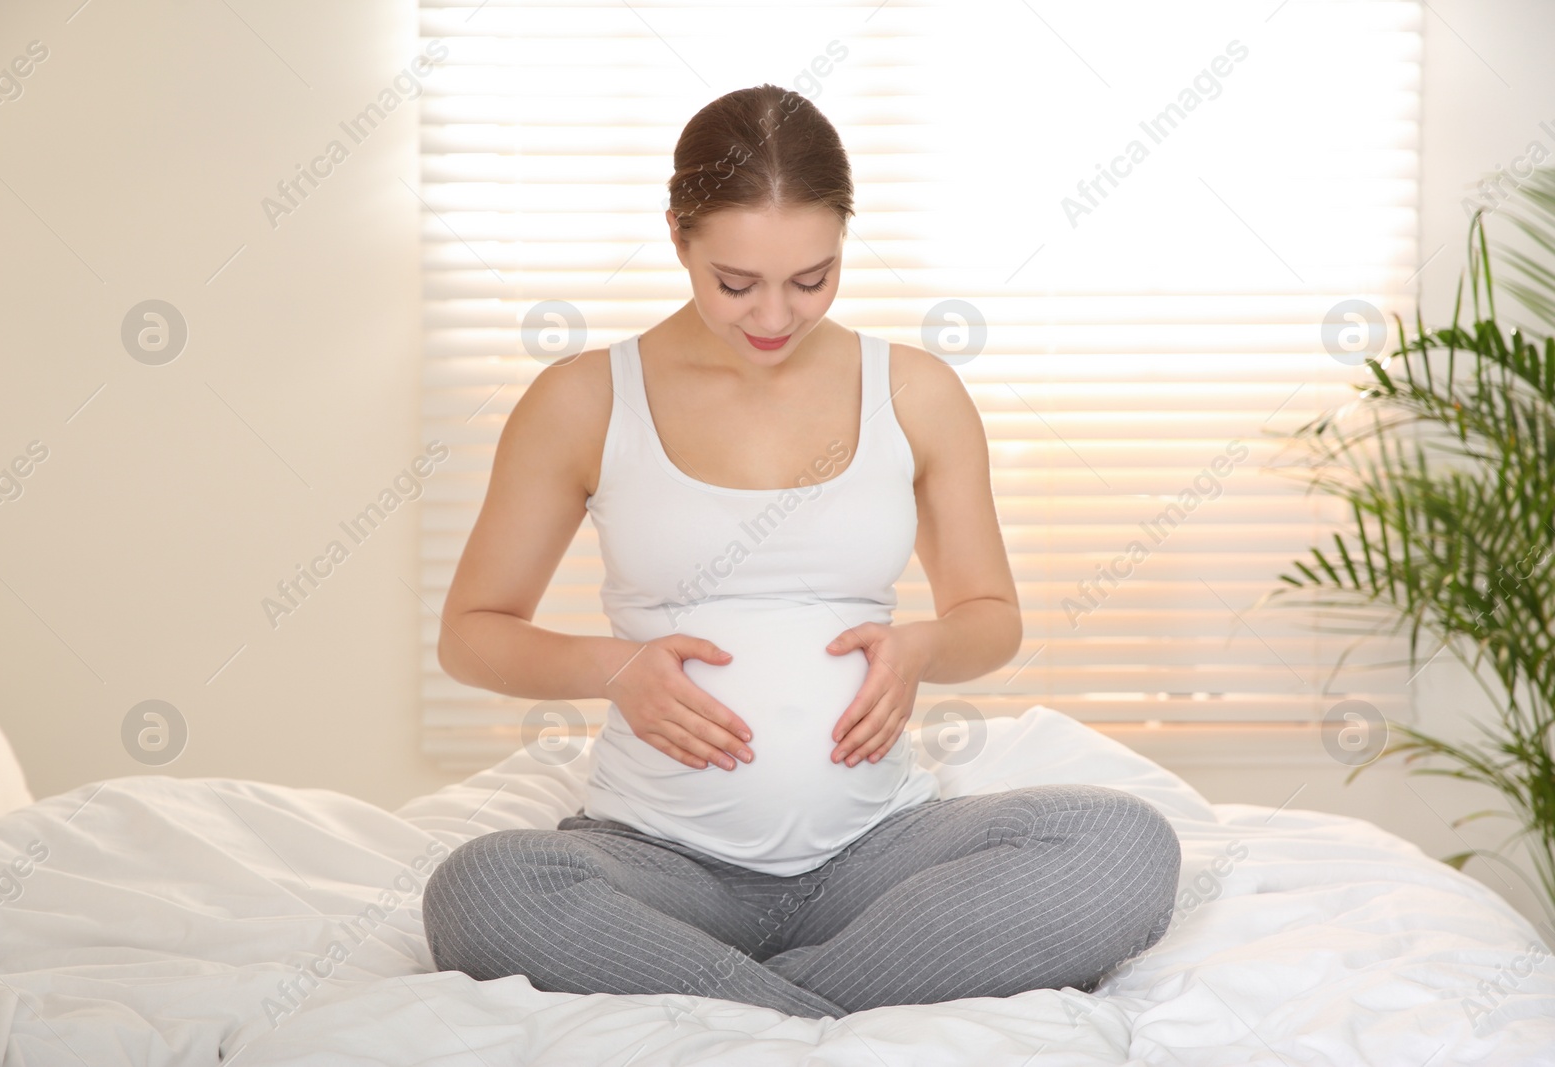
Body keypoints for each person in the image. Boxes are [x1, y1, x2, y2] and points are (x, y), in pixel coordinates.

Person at [421, 83, 1180, 1019]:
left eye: (812, 278)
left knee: (1120, 842)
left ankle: (754, 1015)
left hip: (881, 853)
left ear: (843, 242)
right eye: (735, 283)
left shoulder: (916, 391)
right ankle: (834, 1011)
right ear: (677, 237)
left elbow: (992, 617)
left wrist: (923, 649)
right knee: (482, 888)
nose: (774, 316)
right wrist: (612, 666)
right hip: (656, 856)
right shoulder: (582, 399)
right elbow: (471, 633)